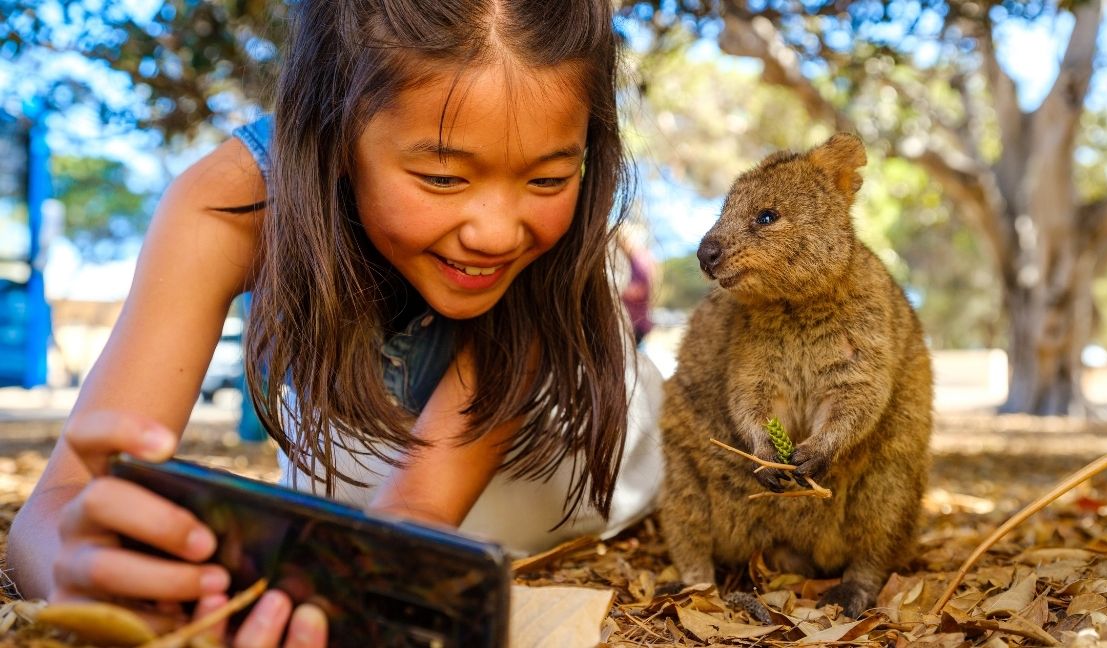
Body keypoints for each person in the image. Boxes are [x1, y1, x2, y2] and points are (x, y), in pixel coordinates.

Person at [6, 1, 665, 645]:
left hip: (574, 436)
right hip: (373, 448)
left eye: (550, 179)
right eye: (441, 177)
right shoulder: (230, 201)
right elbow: (59, 501)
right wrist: (77, 573)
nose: (496, 233)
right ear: (336, 130)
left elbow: (416, 512)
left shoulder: (542, 274)